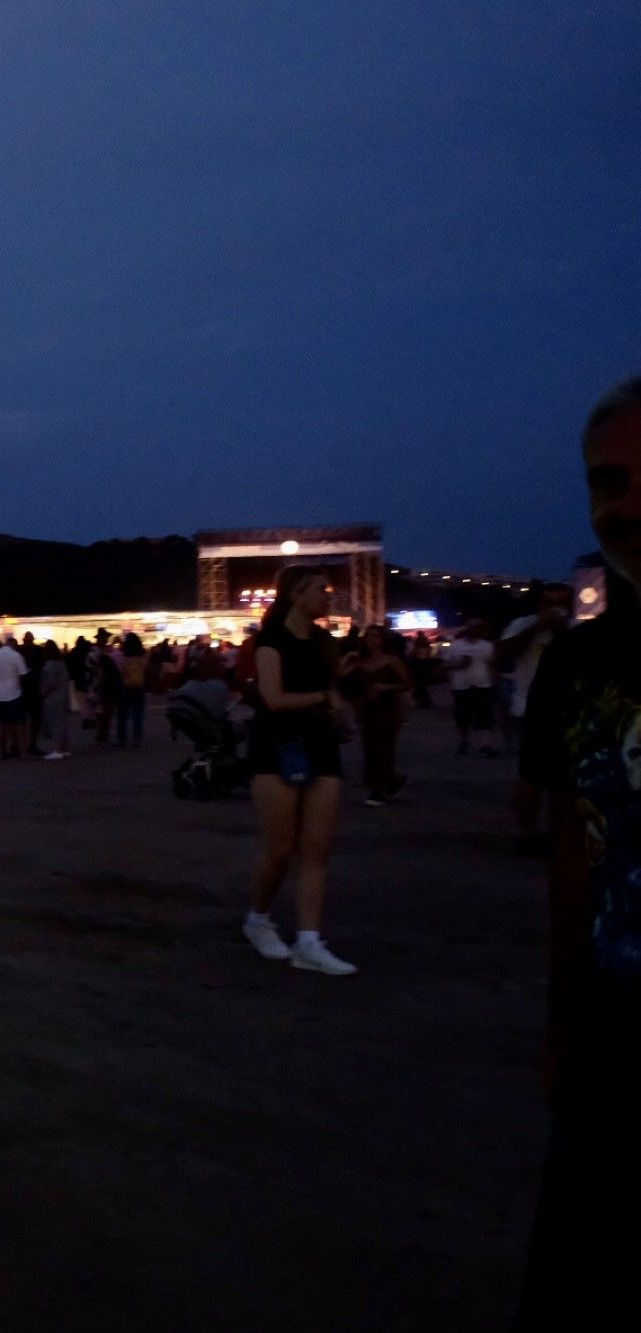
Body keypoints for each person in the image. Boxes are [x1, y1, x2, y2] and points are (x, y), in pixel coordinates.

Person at [511, 376, 641, 1327]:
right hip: (613, 1044)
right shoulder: (579, 662)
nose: (627, 506)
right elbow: (573, 855)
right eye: (608, 483)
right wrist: (562, 1027)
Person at [240, 565, 356, 976]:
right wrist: (324, 697)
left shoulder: (325, 641)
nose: (328, 597)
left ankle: (309, 941)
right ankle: (258, 918)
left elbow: (334, 690)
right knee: (280, 848)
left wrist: (337, 707)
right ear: (295, 594)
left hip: (320, 746)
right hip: (276, 748)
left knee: (317, 850)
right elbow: (273, 698)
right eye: (319, 591)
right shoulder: (269, 642)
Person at [502, 584, 575, 855]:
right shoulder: (523, 625)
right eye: (548, 602)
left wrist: (563, 632)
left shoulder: (579, 626)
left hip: (572, 713)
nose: (555, 607)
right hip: (531, 710)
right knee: (531, 778)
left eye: (561, 602)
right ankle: (528, 832)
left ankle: (558, 831)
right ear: (539, 605)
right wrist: (537, 628)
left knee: (564, 780)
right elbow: (501, 654)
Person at [339, 625, 411, 807]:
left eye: (376, 636)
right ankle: (390, 781)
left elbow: (407, 683)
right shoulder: (360, 662)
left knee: (383, 748)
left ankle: (378, 788)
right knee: (370, 748)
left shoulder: (391, 660)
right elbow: (339, 674)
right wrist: (347, 657)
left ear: (382, 639)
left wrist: (385, 687)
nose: (372, 640)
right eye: (369, 636)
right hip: (367, 709)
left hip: (387, 709)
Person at [443, 619, 499, 756]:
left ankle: (485, 744)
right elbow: (444, 664)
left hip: (482, 685)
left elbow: (492, 665)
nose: (475, 629)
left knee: (485, 716)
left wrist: (494, 682)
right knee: (463, 717)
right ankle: (464, 742)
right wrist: (458, 665)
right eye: (472, 627)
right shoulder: (456, 645)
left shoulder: (487, 646)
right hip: (461, 686)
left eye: (478, 627)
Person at [0, 634, 29, 758]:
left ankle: (2, 748)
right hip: (14, 693)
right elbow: (23, 674)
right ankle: (16, 747)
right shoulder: (16, 656)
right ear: (15, 645)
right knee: (17, 722)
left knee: (4, 723)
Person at [116, 632, 148, 746]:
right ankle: (137, 738)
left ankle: (121, 738)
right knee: (138, 714)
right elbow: (145, 669)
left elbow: (121, 671)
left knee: (122, 715)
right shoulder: (143, 656)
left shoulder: (123, 656)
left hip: (125, 687)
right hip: (139, 686)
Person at [39, 649, 72, 759]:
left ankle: (57, 749)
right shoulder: (62, 663)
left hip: (53, 698)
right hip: (64, 696)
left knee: (55, 724)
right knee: (63, 724)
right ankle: (64, 748)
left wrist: (44, 692)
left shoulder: (49, 665)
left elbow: (50, 682)